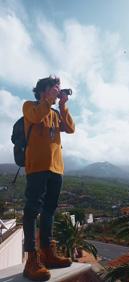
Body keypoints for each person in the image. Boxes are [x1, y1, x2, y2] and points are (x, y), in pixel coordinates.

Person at [22, 76, 75, 281]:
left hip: (56, 168)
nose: (57, 90)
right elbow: (36, 117)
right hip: (36, 167)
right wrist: (49, 101)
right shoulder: (29, 106)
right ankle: (32, 259)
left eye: (58, 89)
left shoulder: (54, 113)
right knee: (32, 209)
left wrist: (62, 106)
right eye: (54, 88)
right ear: (42, 91)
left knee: (49, 211)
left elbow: (70, 128)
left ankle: (48, 253)